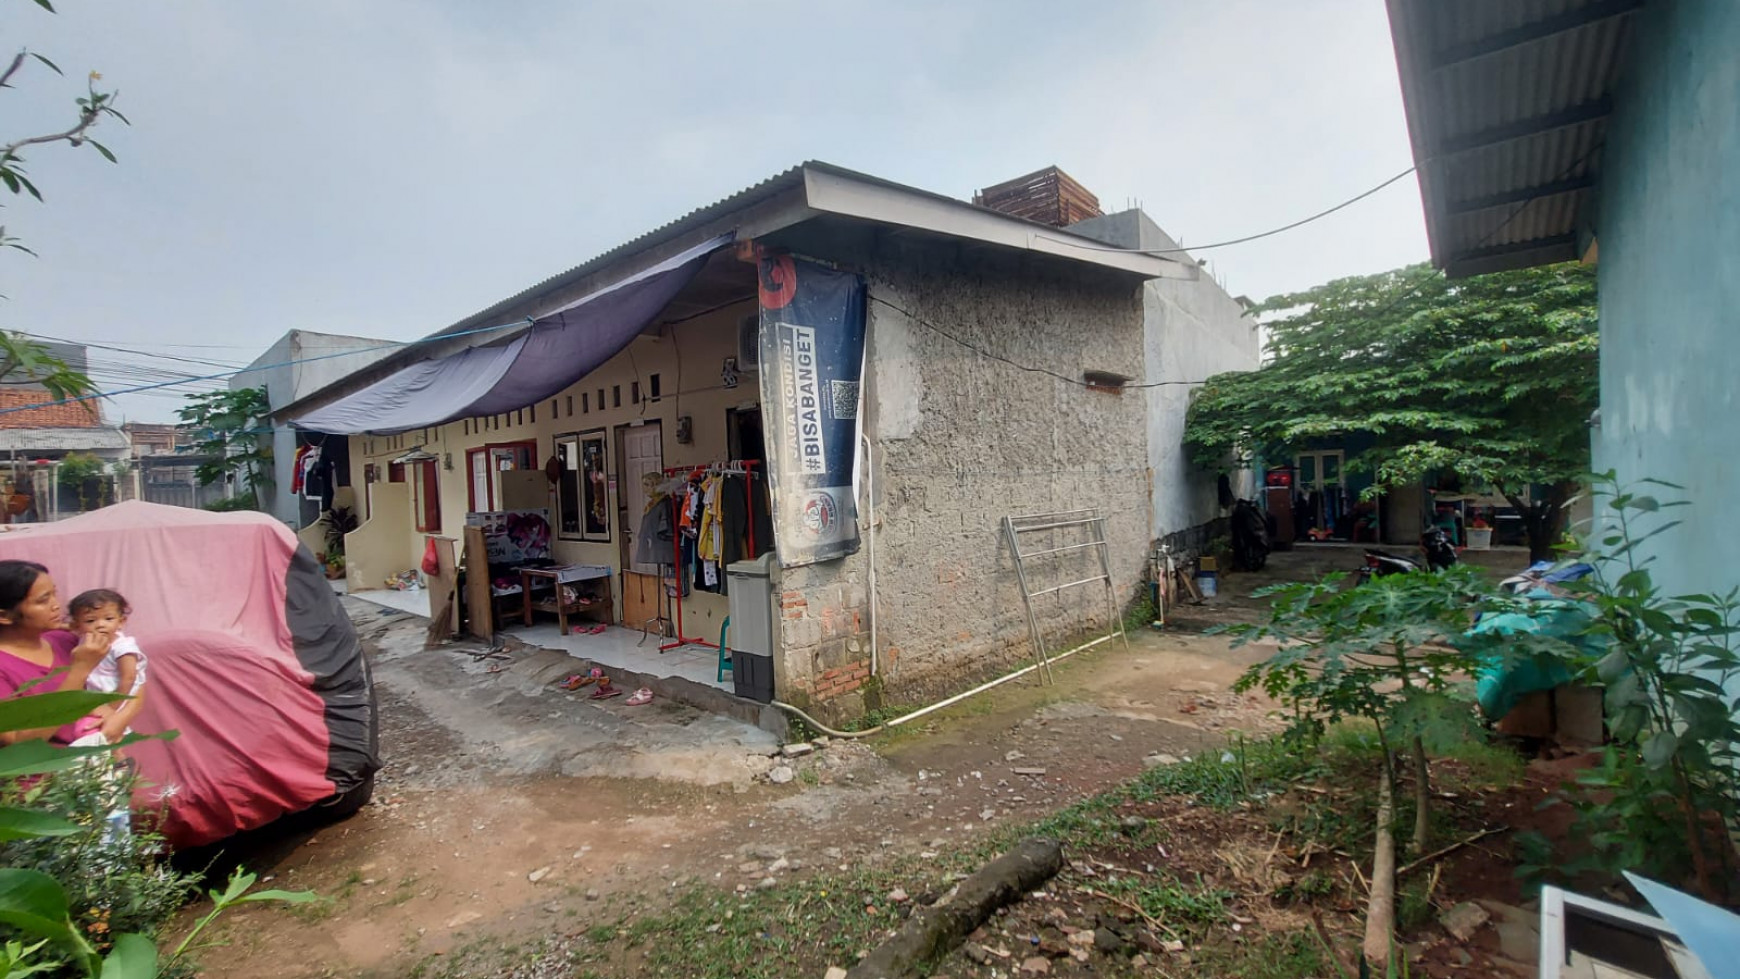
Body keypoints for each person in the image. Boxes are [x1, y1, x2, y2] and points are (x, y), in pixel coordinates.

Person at [0, 560, 113, 745]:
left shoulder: (65, 640)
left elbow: (131, 680)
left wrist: (114, 716)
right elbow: (17, 744)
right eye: (43, 600)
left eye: (54, 594)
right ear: (4, 616)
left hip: (100, 761)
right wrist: (79, 671)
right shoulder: (4, 668)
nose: (56, 605)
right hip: (46, 772)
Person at [67, 588, 147, 744]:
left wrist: (112, 707)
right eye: (90, 621)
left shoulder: (122, 647)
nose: (100, 625)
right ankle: (117, 763)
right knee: (99, 736)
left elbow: (129, 678)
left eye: (108, 619)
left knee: (104, 735)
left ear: (121, 621)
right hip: (95, 696)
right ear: (77, 625)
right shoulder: (85, 638)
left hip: (114, 695)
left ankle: (119, 763)